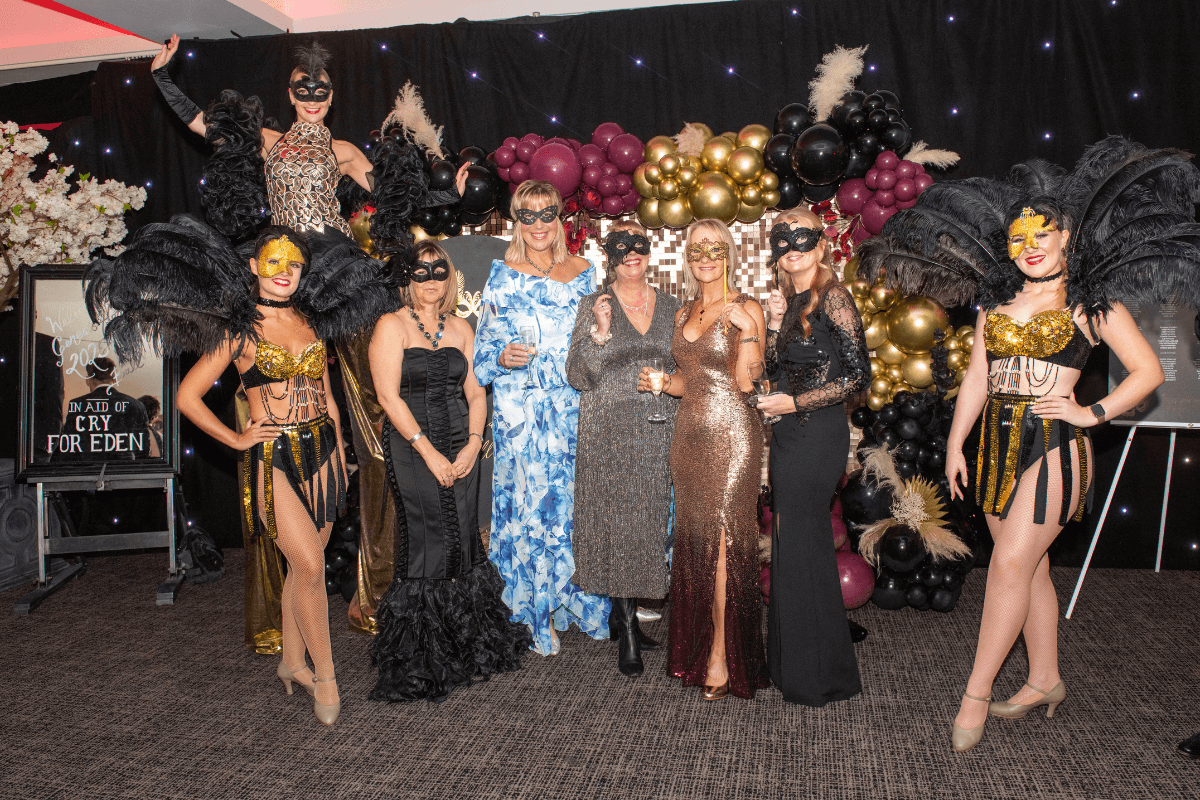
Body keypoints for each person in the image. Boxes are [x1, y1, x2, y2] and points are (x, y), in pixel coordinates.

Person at [856, 137, 1193, 752]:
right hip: (994, 443)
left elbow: (1148, 372)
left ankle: (976, 693)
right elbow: (977, 379)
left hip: (1056, 445)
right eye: (1018, 237)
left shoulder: (1091, 303)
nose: (1030, 246)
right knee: (1029, 568)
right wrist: (956, 444)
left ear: (1066, 238)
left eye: (1043, 234)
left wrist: (1091, 412)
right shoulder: (998, 302)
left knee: (1008, 566)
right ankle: (1044, 680)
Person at [148, 34, 463, 643]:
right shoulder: (268, 141)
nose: (313, 96)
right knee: (264, 405)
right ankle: (278, 613)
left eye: (322, 89)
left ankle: (375, 592)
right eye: (302, 88)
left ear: (332, 96)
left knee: (378, 423)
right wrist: (164, 78)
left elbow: (395, 198)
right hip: (284, 273)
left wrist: (448, 191)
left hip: (342, 276)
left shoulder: (344, 151)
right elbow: (205, 126)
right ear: (291, 95)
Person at [172, 227, 351, 725]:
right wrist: (235, 439)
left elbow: (327, 393)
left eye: (294, 264)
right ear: (253, 266)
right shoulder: (241, 330)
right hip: (272, 456)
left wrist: (340, 447)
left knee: (302, 568)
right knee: (311, 565)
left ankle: (291, 662)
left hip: (322, 451)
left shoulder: (312, 321)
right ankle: (326, 677)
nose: (284, 272)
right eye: (274, 261)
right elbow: (187, 397)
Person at [368, 241, 531, 702]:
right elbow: (388, 397)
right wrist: (429, 452)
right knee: (427, 540)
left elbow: (476, 394)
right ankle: (422, 654)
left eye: (438, 270)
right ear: (408, 278)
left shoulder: (461, 328)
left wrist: (474, 444)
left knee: (462, 537)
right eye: (420, 271)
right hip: (411, 446)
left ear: (450, 277)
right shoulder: (391, 325)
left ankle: (465, 644)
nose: (430, 279)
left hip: (463, 443)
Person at [472, 180, 611, 656]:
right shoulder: (502, 276)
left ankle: (574, 600)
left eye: (546, 213)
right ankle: (535, 611)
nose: (537, 224)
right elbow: (481, 356)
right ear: (516, 220)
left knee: (572, 505)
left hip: (573, 406)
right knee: (531, 506)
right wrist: (502, 357)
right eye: (526, 215)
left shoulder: (586, 273)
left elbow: (598, 343)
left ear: (560, 218)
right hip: (522, 411)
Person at [641, 218, 768, 700]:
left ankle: (722, 654)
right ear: (688, 259)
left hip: (732, 438)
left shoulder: (746, 307)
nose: (706, 258)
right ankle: (699, 646)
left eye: (715, 249)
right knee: (694, 542)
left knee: (722, 546)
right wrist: (662, 382)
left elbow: (748, 383)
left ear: (729, 254)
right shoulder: (683, 312)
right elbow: (687, 383)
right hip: (689, 436)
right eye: (697, 250)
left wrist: (749, 332)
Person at [757, 208, 868, 706]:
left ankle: (817, 676)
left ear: (821, 246)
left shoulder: (834, 297)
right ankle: (795, 666)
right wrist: (773, 325)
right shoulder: (793, 301)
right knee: (794, 546)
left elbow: (857, 376)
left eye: (802, 238)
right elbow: (777, 371)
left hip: (818, 436)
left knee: (803, 546)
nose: (792, 249)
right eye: (782, 241)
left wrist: (796, 403)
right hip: (787, 435)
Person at [566, 221, 680, 677]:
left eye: (639, 245)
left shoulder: (671, 306)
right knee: (615, 520)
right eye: (621, 245)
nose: (632, 252)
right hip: (607, 427)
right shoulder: (594, 304)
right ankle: (629, 628)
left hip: (657, 426)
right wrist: (599, 331)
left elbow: (683, 365)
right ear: (609, 254)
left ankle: (622, 615)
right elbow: (577, 375)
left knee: (647, 521)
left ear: (648, 253)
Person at [55, 358, 151, 461]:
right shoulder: (136, 405)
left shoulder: (78, 405)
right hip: (123, 468)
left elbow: (68, 446)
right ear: (115, 379)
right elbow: (143, 449)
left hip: (88, 467)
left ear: (88, 380)